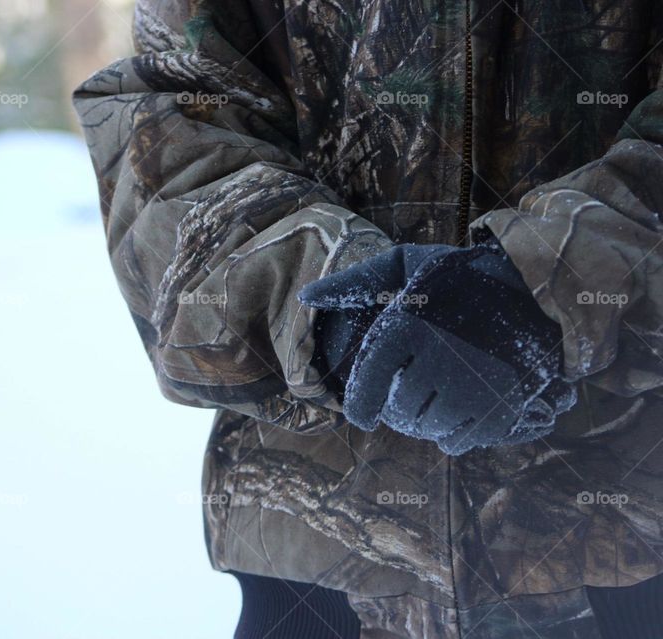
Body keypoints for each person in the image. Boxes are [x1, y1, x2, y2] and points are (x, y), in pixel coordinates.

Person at [74, 1, 663, 637]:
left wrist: (539, 292)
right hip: (313, 558)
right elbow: (172, 113)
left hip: (626, 549)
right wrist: (334, 310)